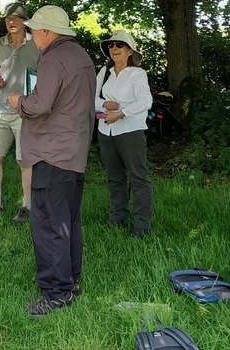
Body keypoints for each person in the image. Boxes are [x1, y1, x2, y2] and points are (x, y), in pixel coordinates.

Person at [8, 5, 96, 317]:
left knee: (47, 223)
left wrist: (19, 101)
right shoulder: (80, 55)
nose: (31, 35)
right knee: (68, 220)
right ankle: (70, 282)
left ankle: (56, 293)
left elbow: (40, 104)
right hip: (74, 151)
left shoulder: (53, 58)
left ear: (46, 32)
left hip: (51, 152)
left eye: (33, 30)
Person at [0, 2, 39, 222]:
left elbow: (46, 75)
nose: (12, 22)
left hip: (25, 110)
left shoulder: (37, 43)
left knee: (24, 161)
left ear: (25, 22)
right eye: (8, 19)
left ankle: (28, 207)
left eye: (17, 19)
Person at [95, 30, 153, 238]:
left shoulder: (137, 74)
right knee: (114, 178)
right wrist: (103, 103)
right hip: (105, 131)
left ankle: (141, 227)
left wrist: (120, 114)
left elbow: (145, 102)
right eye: (111, 45)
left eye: (119, 45)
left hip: (130, 131)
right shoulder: (104, 72)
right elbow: (90, 98)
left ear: (130, 51)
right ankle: (116, 220)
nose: (114, 49)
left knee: (138, 178)